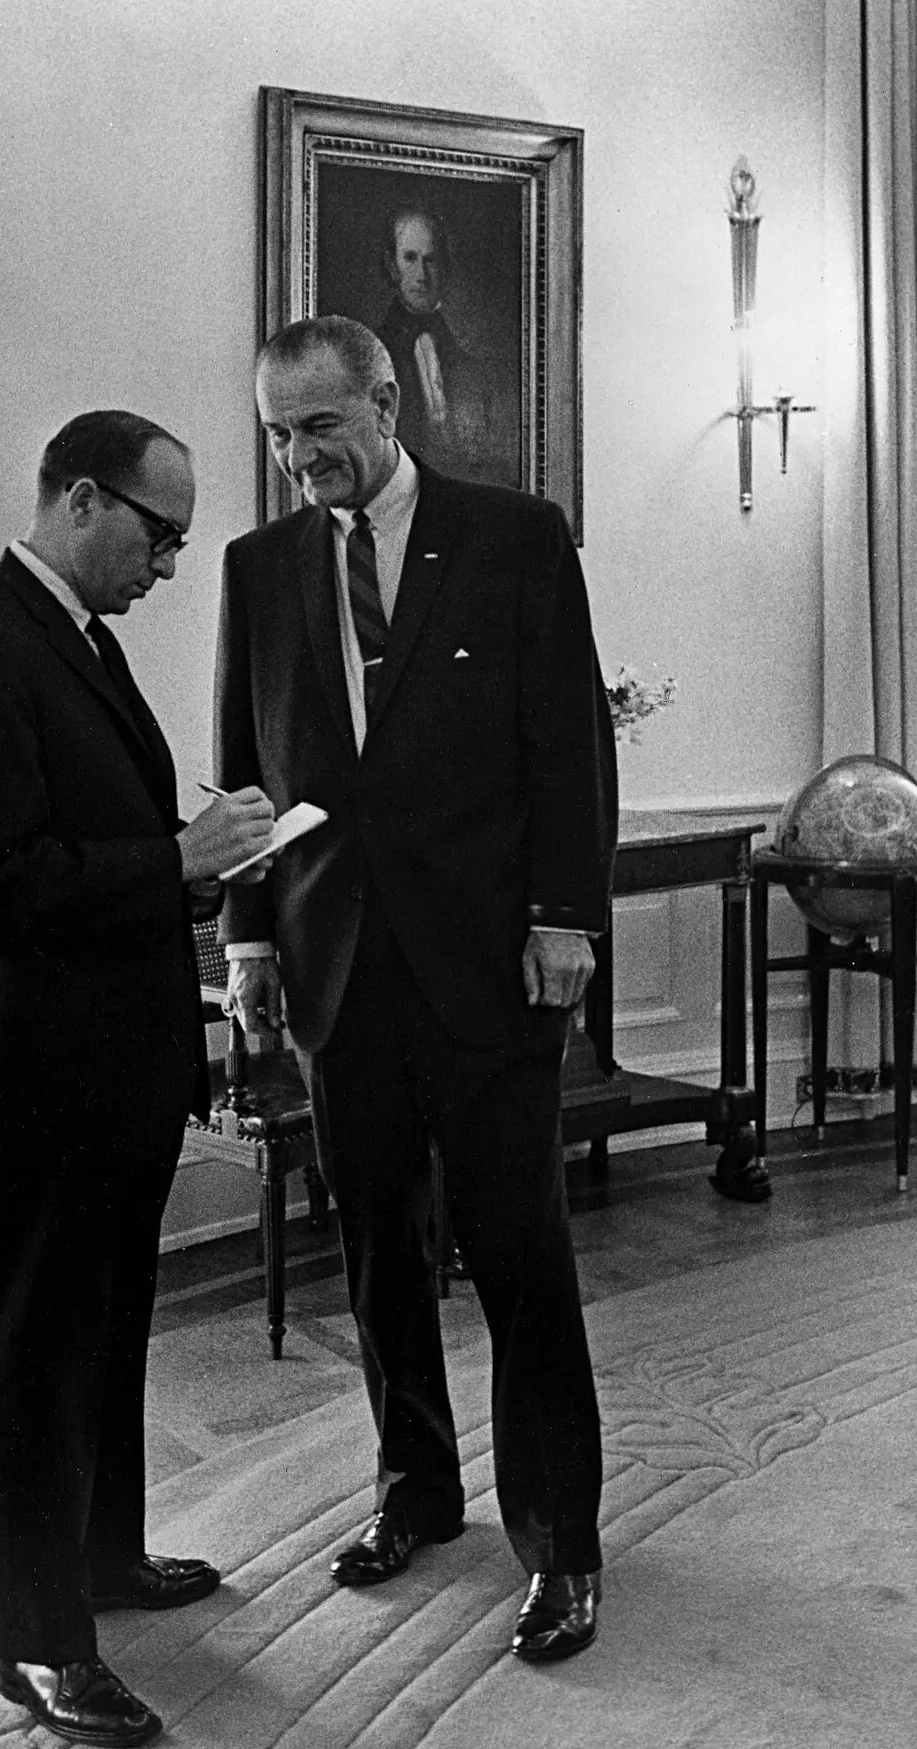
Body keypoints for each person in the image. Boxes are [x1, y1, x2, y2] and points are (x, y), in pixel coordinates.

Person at [215, 316, 616, 1661]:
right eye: (277, 434)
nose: (295, 458)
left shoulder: (509, 538)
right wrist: (251, 944)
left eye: (318, 427)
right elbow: (245, 777)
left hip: (492, 965)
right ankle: (413, 1493)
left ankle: (559, 1546)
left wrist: (565, 915)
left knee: (518, 1258)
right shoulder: (258, 568)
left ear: (385, 404)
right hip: (338, 973)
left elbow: (565, 742)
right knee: (380, 1253)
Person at [0, 410, 274, 1745]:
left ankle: (104, 1562)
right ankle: (39, 1643)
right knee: (29, 1364)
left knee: (107, 1339)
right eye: (155, 533)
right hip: (40, 1087)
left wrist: (189, 865)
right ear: (77, 499)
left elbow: (93, 853)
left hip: (112, 1073)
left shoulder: (78, 641)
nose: (167, 564)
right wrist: (177, 863)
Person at [375, 205, 519, 489]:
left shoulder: (467, 361)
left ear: (444, 267)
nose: (421, 275)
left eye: (431, 260)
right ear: (393, 266)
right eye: (410, 259)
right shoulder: (375, 354)